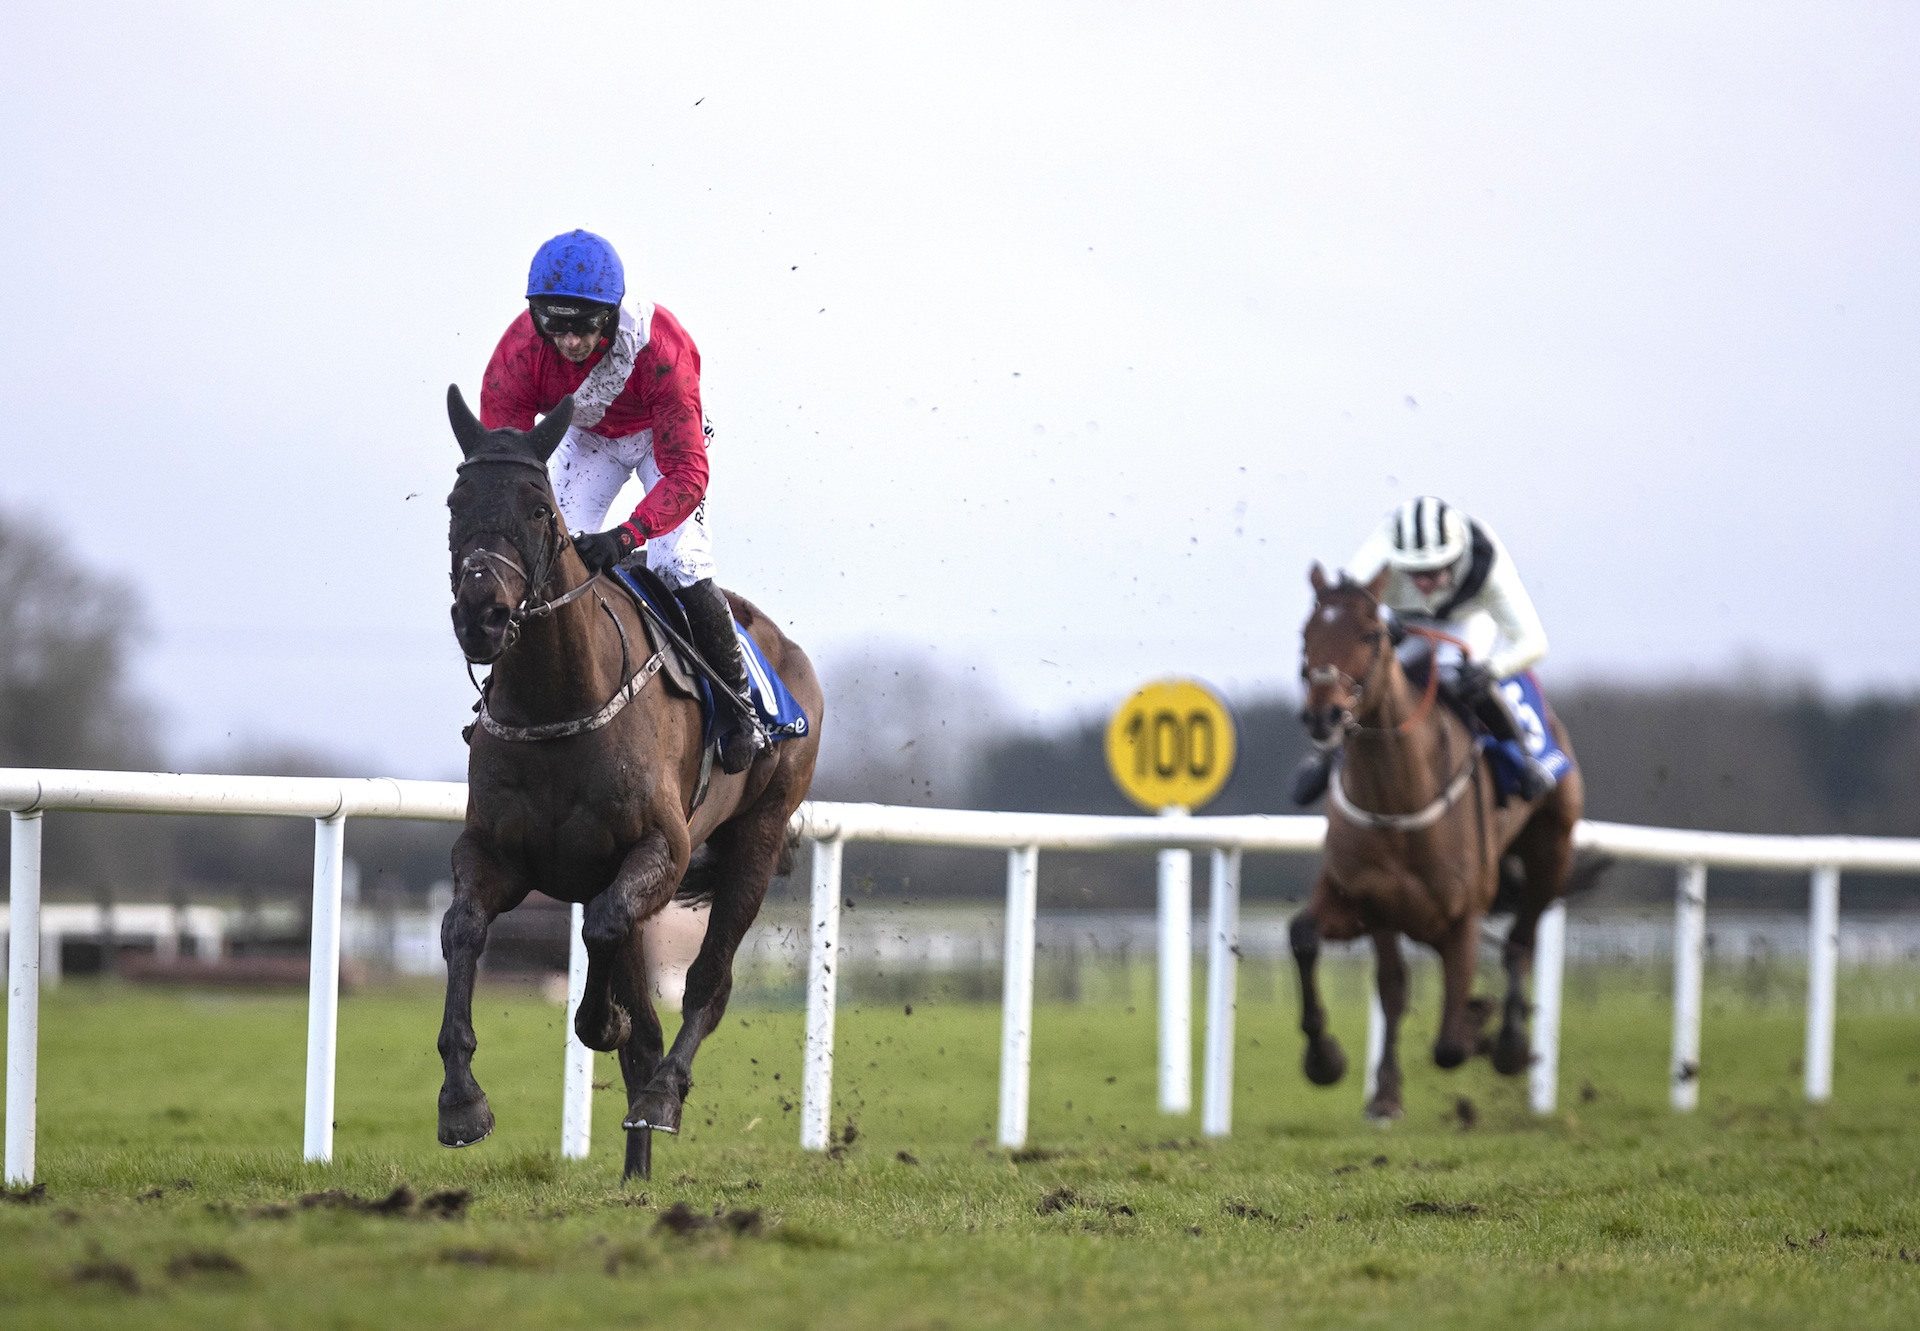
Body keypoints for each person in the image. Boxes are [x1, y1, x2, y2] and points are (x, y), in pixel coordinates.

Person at [479, 229, 766, 773]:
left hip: (666, 439)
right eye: (554, 324)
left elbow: (687, 473)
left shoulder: (662, 349)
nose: (568, 341)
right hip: (592, 438)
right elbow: (506, 464)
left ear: (610, 316)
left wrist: (627, 535)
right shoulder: (517, 354)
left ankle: (737, 705)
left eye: (584, 325)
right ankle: (504, 696)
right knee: (538, 557)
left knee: (677, 562)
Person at [1292, 495, 1565, 805]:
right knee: (1367, 677)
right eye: (1414, 572)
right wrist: (1374, 625)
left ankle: (1521, 757)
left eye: (1435, 571)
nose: (1424, 582)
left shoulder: (1488, 565)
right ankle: (1327, 757)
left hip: (1466, 621)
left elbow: (1533, 642)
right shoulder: (1373, 558)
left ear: (1456, 557)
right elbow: (1342, 619)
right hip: (1404, 620)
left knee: (1454, 678)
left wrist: (1490, 670)